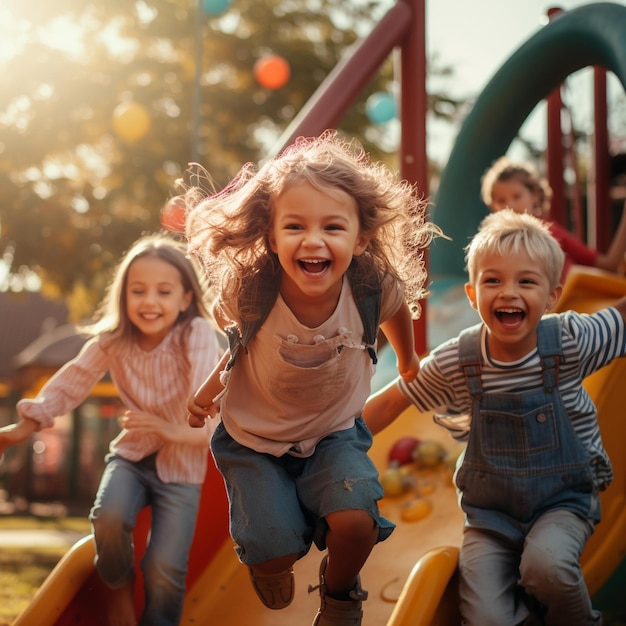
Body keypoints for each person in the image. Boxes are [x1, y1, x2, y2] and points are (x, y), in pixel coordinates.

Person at [183, 130, 441, 626]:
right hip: (255, 439)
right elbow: (237, 343)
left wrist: (408, 360)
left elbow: (397, 314)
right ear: (272, 234)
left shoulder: (370, 287)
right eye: (295, 225)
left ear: (360, 237)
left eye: (333, 227)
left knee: (356, 521)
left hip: (333, 433)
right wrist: (205, 394)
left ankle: (341, 594)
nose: (314, 240)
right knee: (274, 550)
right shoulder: (252, 291)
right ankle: (277, 542)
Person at [363, 209, 626, 625]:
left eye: (526, 281)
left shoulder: (570, 340)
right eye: (493, 280)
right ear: (472, 293)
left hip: (562, 501)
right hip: (489, 517)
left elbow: (621, 319)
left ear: (553, 295)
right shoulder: (459, 360)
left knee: (547, 567)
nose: (508, 293)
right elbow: (395, 399)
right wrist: (333, 444)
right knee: (484, 617)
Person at [0, 234, 222, 626]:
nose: (149, 301)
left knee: (164, 568)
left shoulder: (197, 334)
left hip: (183, 465)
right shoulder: (114, 341)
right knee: (108, 516)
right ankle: (119, 594)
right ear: (124, 296)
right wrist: (25, 426)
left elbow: (207, 424)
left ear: (185, 299)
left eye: (163, 291)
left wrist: (163, 427)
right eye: (138, 291)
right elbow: (72, 381)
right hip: (133, 456)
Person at [480, 155, 626, 280]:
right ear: (493, 207)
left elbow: (608, 264)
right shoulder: (492, 244)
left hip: (570, 299)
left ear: (535, 195)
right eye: (501, 201)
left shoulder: (549, 232)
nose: (509, 205)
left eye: (516, 196)